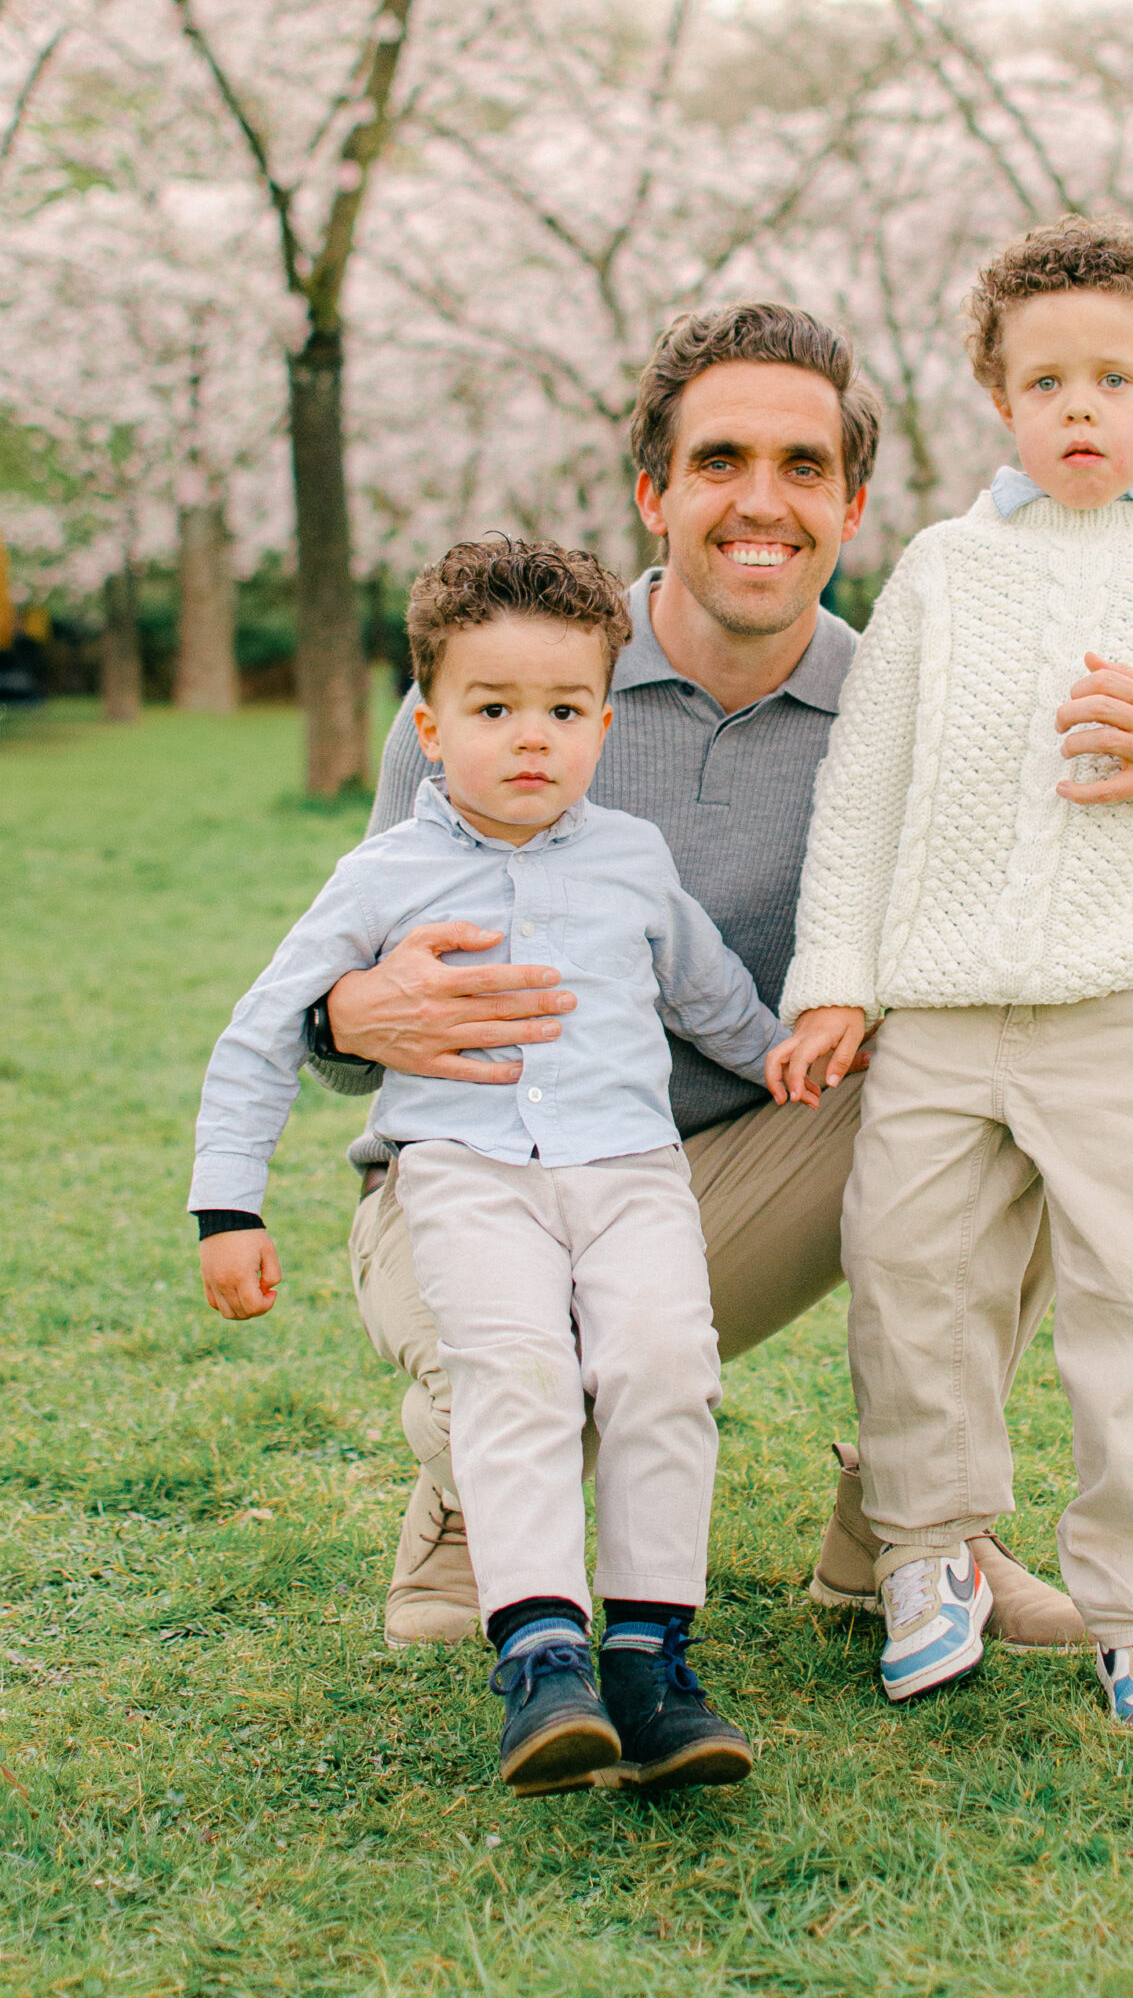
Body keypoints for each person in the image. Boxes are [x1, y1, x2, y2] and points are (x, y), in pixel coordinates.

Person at [303, 303, 1133, 1649]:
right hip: (489, 1175)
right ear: (654, 493)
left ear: (855, 504)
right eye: (720, 462)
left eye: (803, 468)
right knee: (524, 1358)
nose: (760, 503)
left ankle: (909, 1532)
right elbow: (344, 998)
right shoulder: (516, 689)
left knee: (1019, 1051)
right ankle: (467, 1509)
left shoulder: (924, 697)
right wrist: (341, 1013)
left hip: (759, 1155)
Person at [768, 216, 1133, 1730]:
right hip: (943, 1013)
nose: (1081, 410)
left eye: (1115, 377)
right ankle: (924, 1552)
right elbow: (863, 792)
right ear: (999, 399)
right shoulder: (942, 570)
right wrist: (834, 979)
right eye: (1047, 384)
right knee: (913, 1284)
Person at [194, 538, 769, 1796]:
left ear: (603, 723)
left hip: (630, 1172)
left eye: (562, 711)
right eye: (492, 708)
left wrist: (790, 1058)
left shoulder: (631, 859)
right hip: (467, 1170)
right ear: (429, 722)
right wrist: (225, 1205)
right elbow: (260, 1029)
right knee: (516, 1370)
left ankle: (652, 1659)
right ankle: (541, 1654)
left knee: (665, 1367)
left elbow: (713, 999)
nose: (531, 739)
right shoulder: (387, 873)